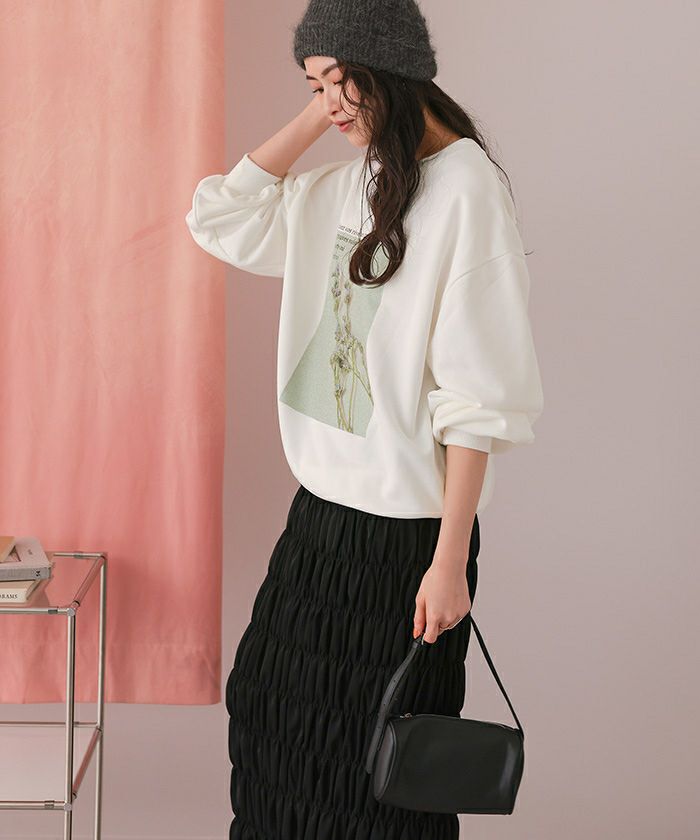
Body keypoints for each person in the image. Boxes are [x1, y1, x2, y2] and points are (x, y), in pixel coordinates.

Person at [185, 1, 544, 837]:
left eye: (339, 81)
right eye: (312, 85)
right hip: (320, 522)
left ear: (392, 67)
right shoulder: (350, 185)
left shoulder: (467, 192)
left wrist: (449, 561)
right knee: (274, 724)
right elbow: (218, 218)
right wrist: (326, 108)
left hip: (404, 543)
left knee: (374, 774)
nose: (328, 103)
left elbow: (477, 400)